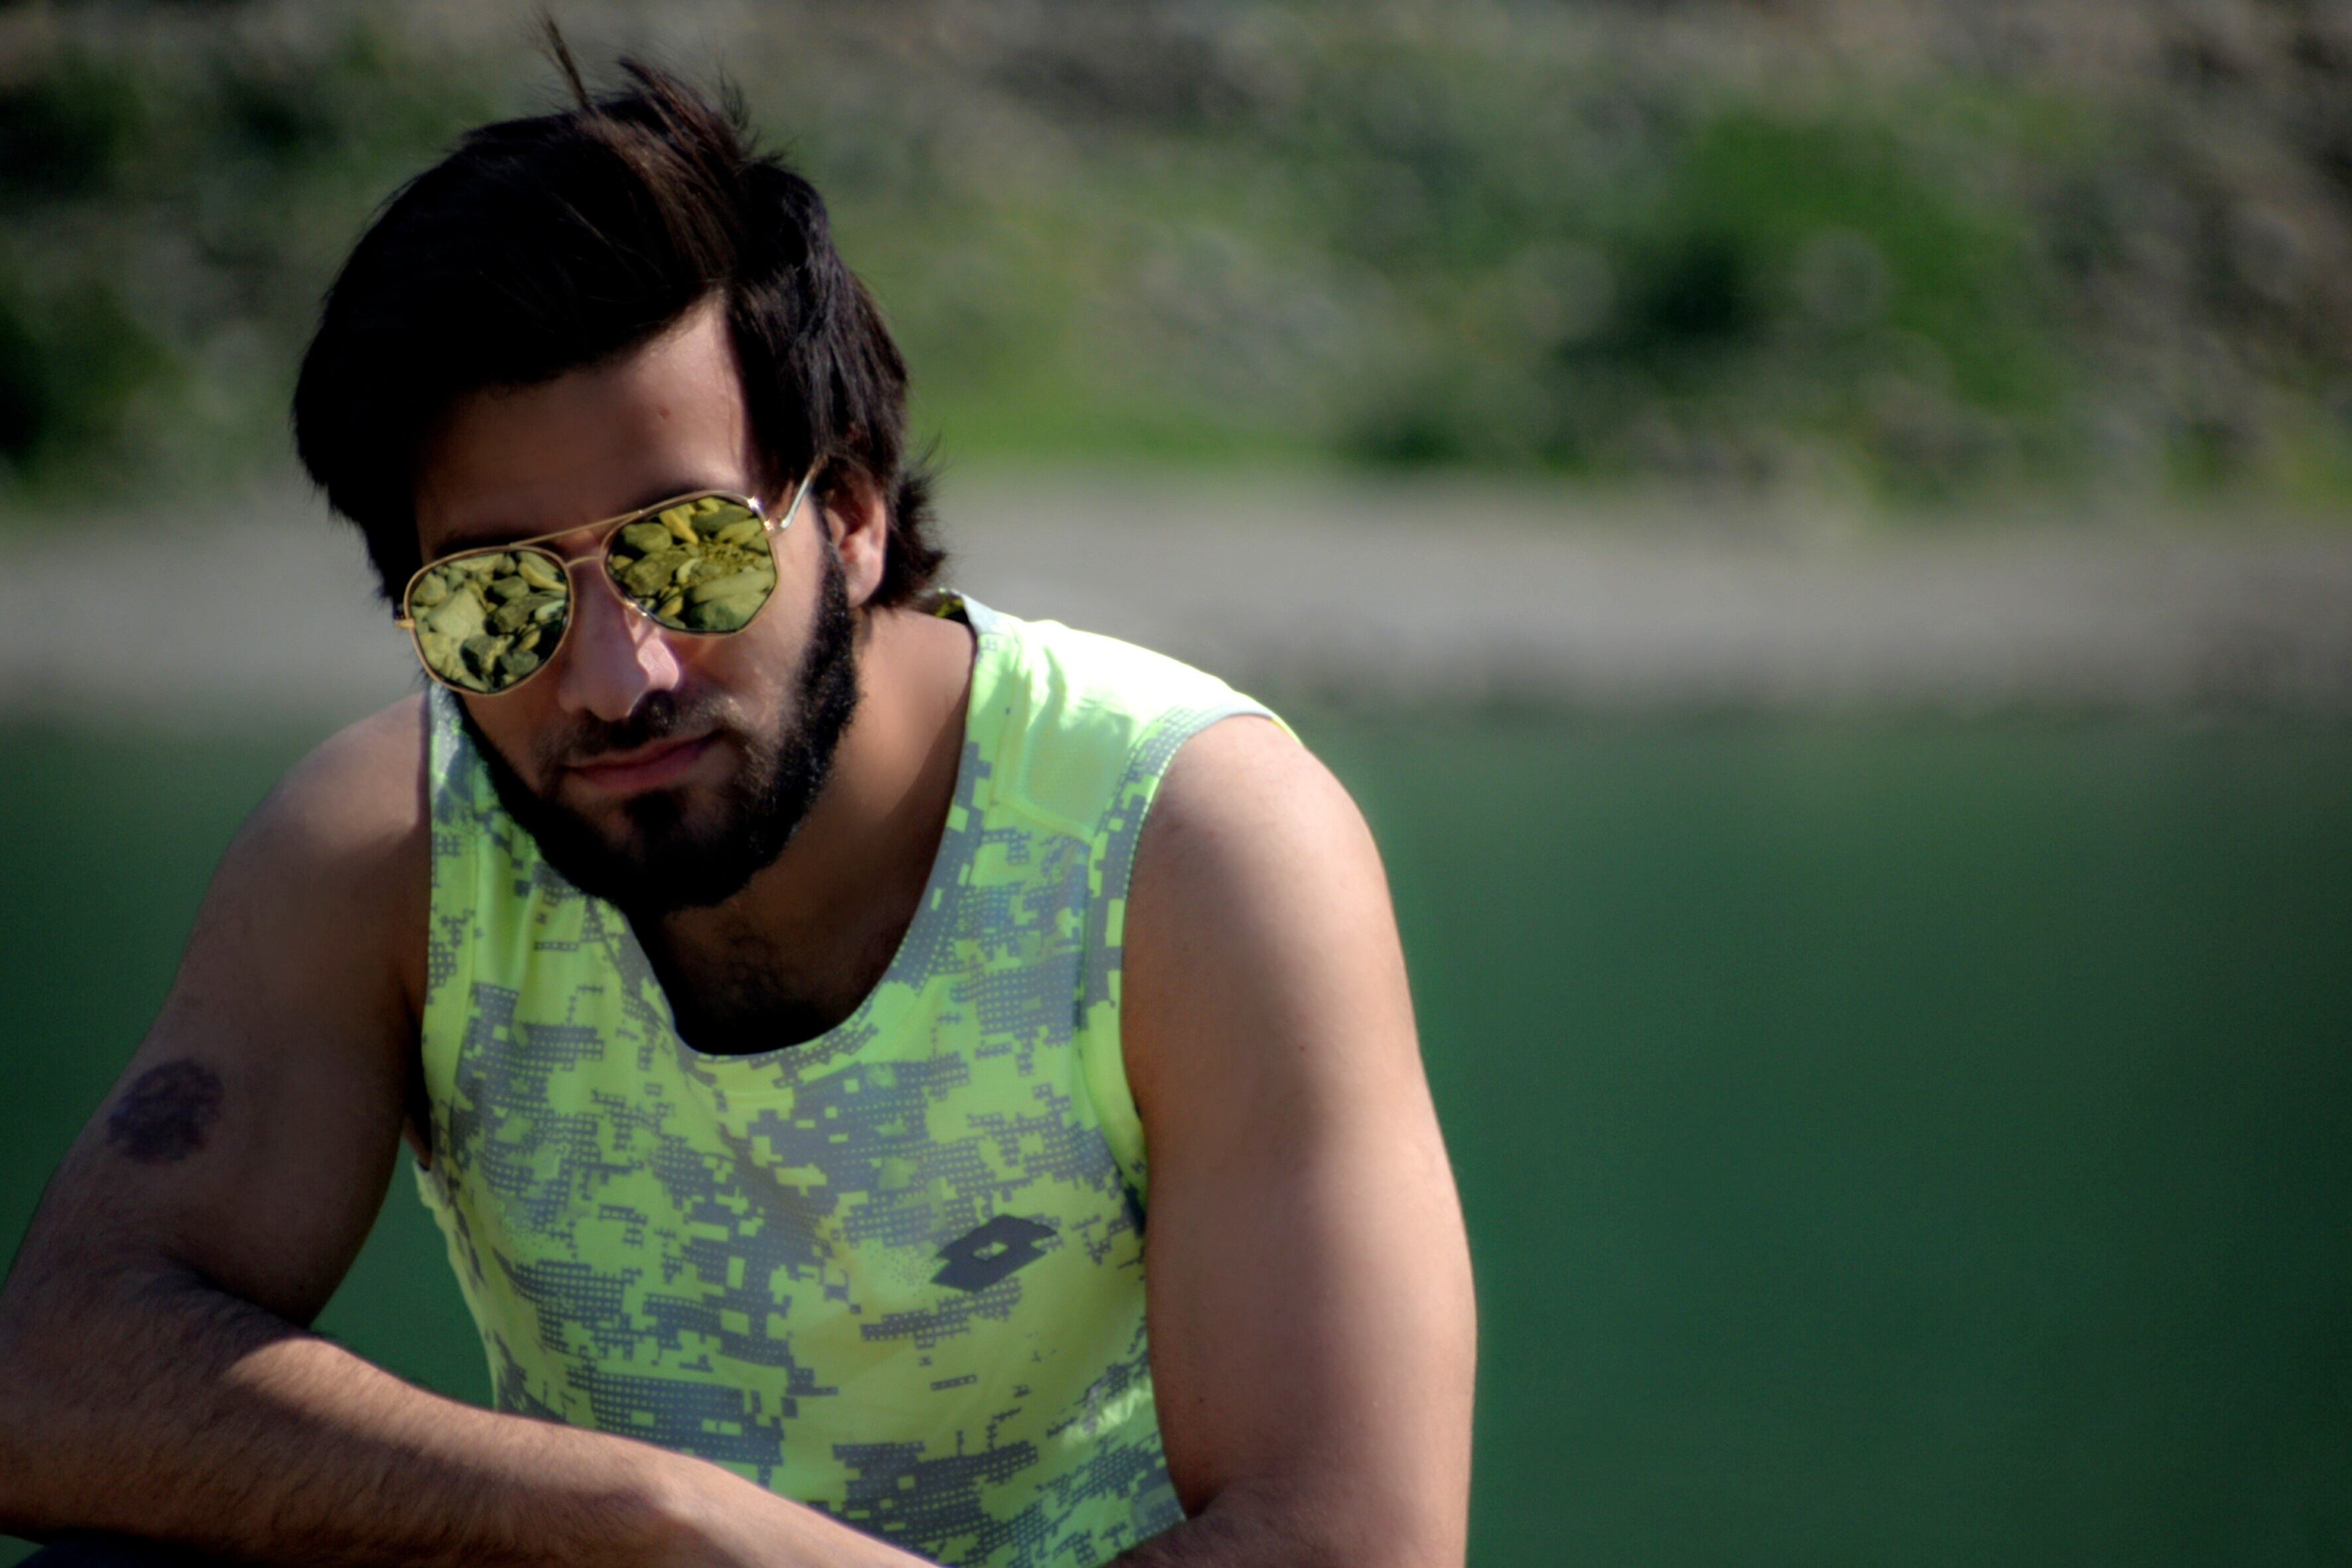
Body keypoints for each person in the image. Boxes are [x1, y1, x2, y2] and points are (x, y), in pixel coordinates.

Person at [0, 54, 1474, 1568]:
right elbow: (52, 1385)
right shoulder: (390, 858)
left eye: (689, 552)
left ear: (852, 514)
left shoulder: (1182, 845)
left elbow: (1348, 1542)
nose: (613, 677)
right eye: (496, 599)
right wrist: (644, 1514)